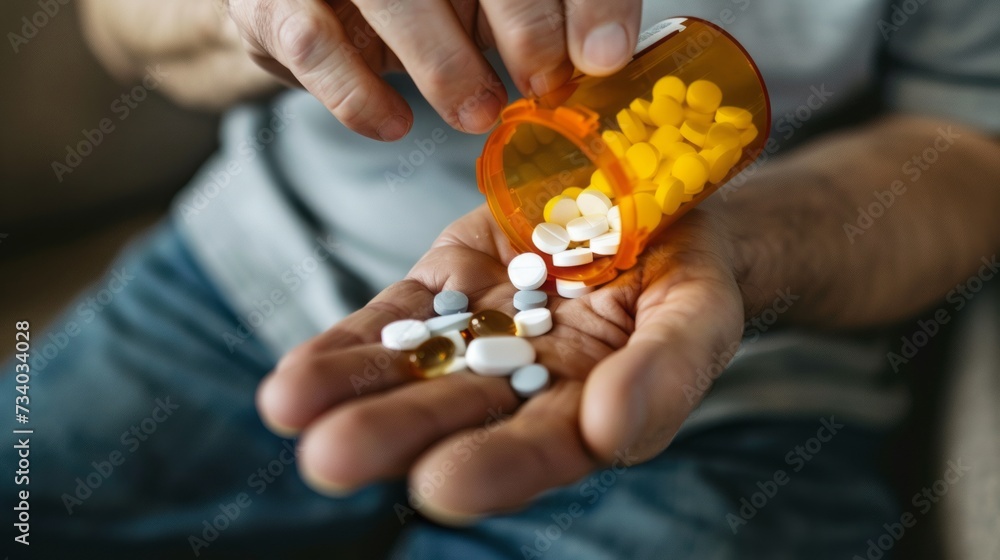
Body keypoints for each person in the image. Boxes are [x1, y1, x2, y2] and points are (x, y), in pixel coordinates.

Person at [6, 0, 1000, 557]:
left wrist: (741, 246)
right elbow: (122, 26)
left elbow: (966, 152)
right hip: (249, 266)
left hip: (716, 380)